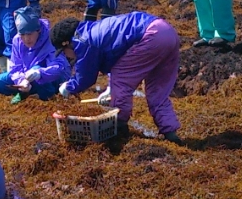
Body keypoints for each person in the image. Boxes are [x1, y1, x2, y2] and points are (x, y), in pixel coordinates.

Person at [52, 13, 182, 144]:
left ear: (66, 43)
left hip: (150, 35)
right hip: (167, 32)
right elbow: (117, 55)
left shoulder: (83, 41)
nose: (66, 56)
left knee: (121, 79)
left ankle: (119, 125)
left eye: (63, 52)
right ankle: (170, 133)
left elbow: (85, 77)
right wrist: (111, 88)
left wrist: (68, 87)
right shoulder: (91, 30)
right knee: (158, 90)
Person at [0, 6, 69, 104]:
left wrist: (40, 73)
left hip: (51, 79)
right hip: (28, 76)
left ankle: (46, 96)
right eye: (22, 34)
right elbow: (15, 68)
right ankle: (27, 91)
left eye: (30, 34)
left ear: (38, 30)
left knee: (36, 68)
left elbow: (59, 67)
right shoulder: (17, 40)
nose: (26, 39)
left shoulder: (51, 38)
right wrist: (21, 81)